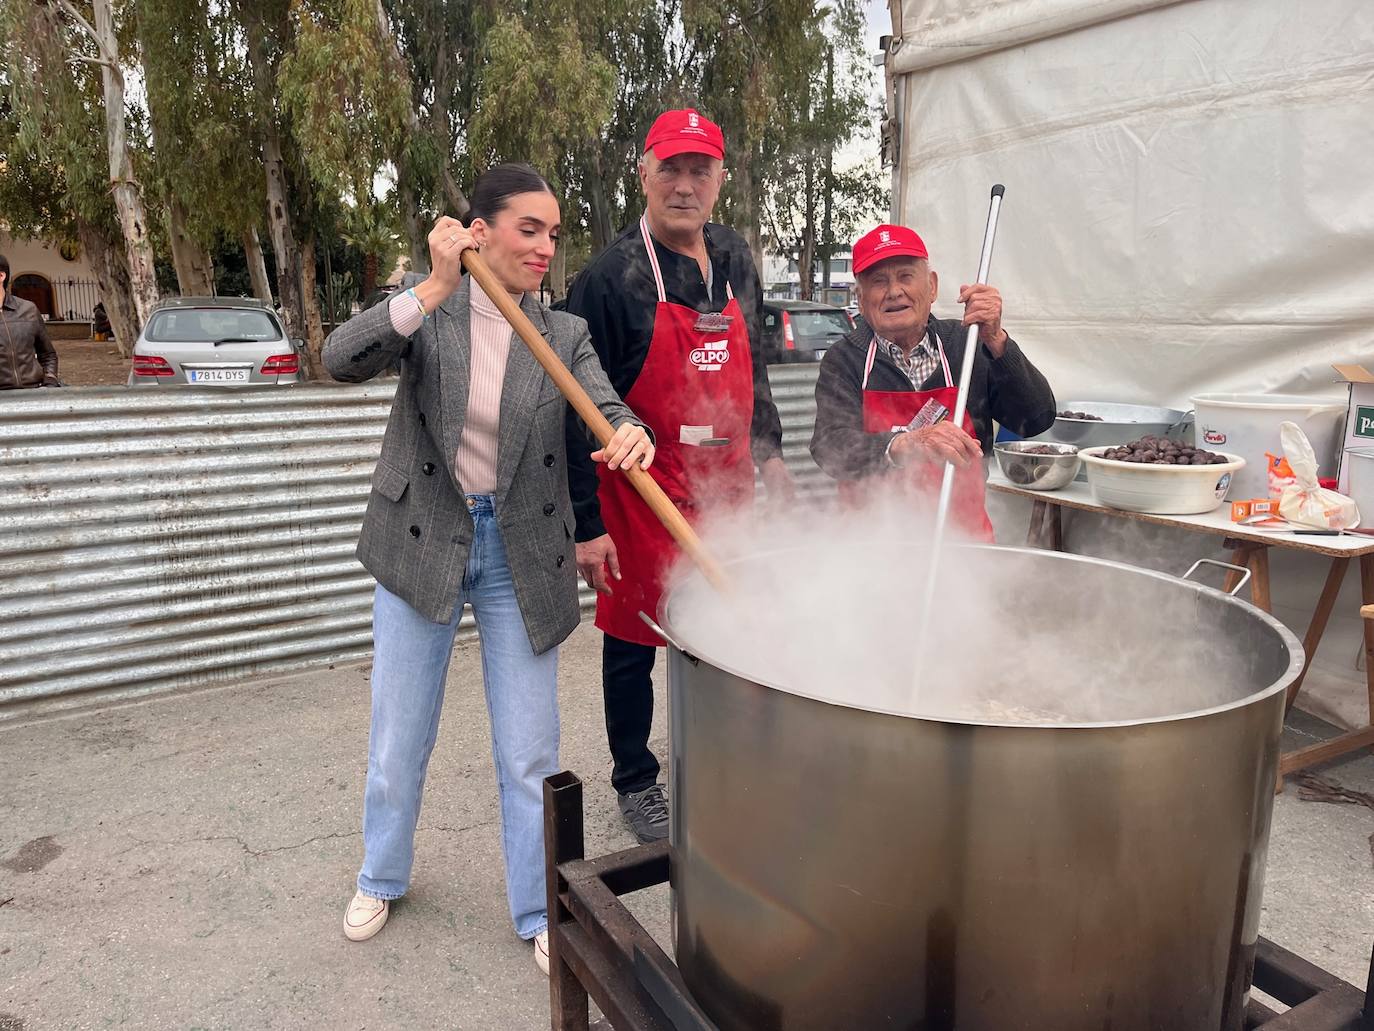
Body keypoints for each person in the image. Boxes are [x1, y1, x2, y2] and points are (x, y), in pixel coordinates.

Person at [322, 163, 655, 973]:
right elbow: (340, 358)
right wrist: (432, 288)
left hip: (519, 549)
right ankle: (381, 873)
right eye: (528, 229)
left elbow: (605, 404)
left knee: (530, 749)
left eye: (553, 232)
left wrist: (630, 430)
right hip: (425, 533)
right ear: (480, 232)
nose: (545, 246)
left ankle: (542, 905)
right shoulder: (427, 308)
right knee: (400, 731)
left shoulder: (562, 331)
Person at [563, 108, 793, 844]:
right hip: (642, 492)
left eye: (701, 169)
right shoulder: (607, 278)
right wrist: (587, 525)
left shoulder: (736, 258)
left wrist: (775, 455)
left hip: (728, 488)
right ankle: (636, 779)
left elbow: (754, 370)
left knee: (729, 627)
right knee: (634, 640)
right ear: (645, 173)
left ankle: (721, 756)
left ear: (721, 178)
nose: (686, 184)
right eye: (672, 168)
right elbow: (570, 408)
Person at [810, 223, 1055, 537]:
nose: (894, 291)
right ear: (860, 297)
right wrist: (905, 444)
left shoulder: (967, 345)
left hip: (964, 549)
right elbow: (830, 447)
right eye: (878, 281)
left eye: (906, 276)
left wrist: (997, 340)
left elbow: (1035, 418)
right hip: (871, 553)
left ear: (933, 286)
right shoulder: (845, 360)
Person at [0, 255, 60, 389]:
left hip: (33, 392)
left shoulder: (28, 309)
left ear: (1, 276)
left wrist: (50, 380)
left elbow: (48, 354)